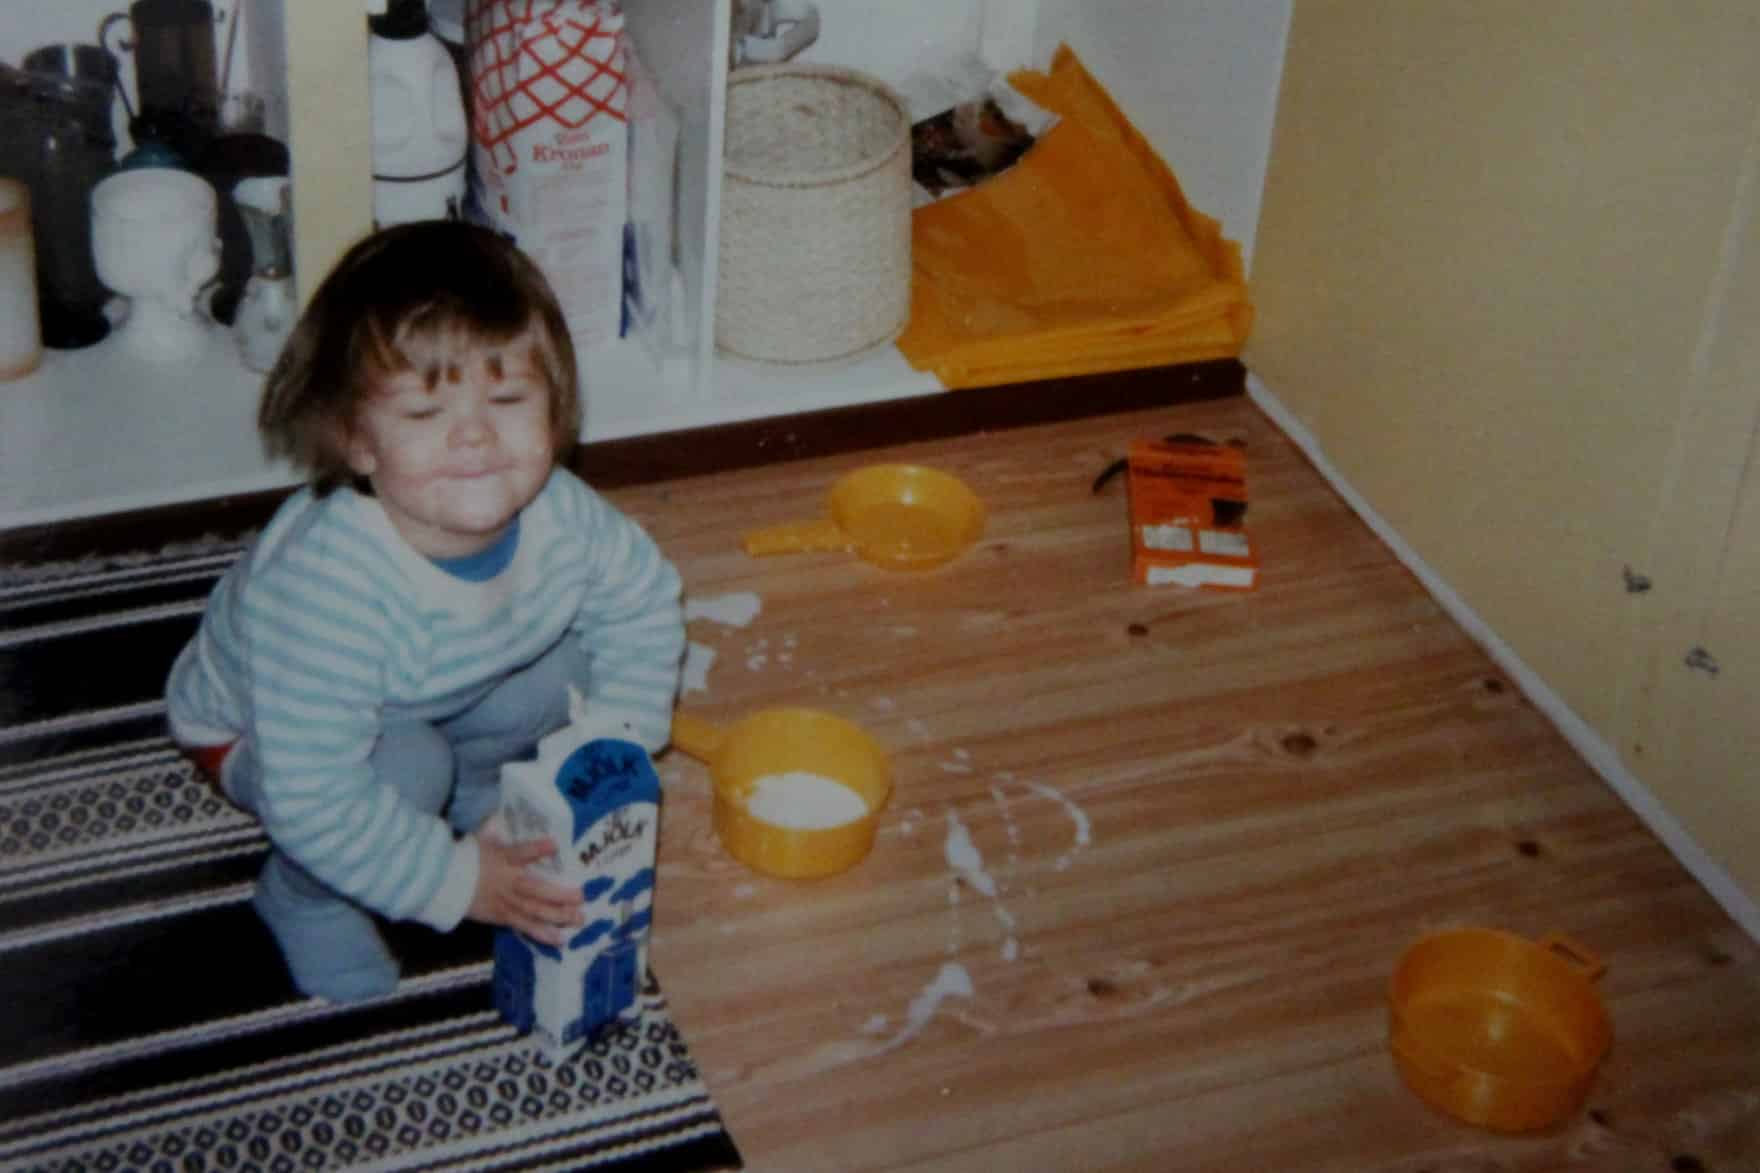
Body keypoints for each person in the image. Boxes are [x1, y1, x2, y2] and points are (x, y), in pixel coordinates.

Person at [165, 221, 685, 1003]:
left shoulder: (563, 516)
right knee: (408, 767)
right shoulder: (326, 589)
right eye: (422, 414)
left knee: (571, 675)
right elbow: (316, 794)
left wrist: (621, 744)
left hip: (431, 679)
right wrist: (458, 879)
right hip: (261, 730)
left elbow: (642, 606)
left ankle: (473, 788)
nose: (474, 436)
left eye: (507, 398)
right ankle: (304, 897)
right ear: (358, 443)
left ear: (556, 410)